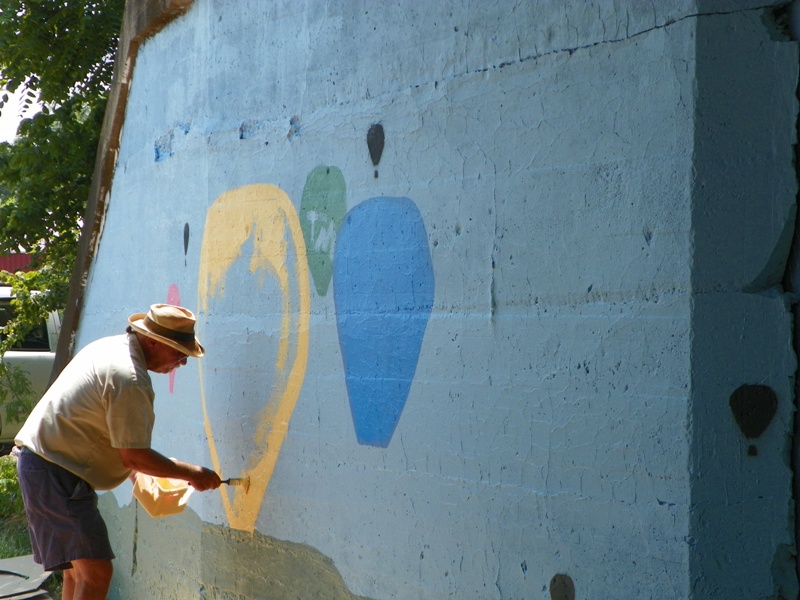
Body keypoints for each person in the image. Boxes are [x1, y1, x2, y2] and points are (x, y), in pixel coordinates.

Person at [14, 304, 221, 600]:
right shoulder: (129, 378)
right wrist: (194, 474)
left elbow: (106, 432)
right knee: (95, 573)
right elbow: (134, 456)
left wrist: (140, 473)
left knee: (78, 571)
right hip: (57, 472)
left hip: (44, 466)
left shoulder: (110, 348)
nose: (183, 361)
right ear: (153, 341)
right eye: (179, 352)